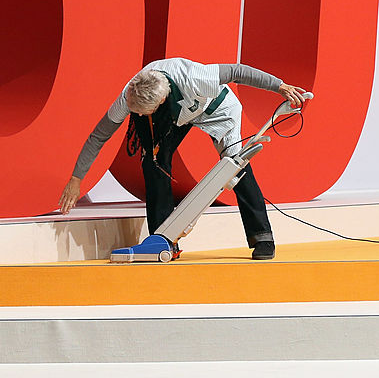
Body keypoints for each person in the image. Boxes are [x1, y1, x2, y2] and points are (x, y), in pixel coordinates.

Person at [58, 58, 307, 260]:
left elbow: (237, 71)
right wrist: (76, 179)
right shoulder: (129, 95)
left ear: (160, 100)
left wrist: (280, 86)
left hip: (214, 109)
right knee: (153, 163)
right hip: (171, 116)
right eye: (136, 112)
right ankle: (163, 241)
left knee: (236, 166)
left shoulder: (195, 77)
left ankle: (262, 237)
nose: (137, 116)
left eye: (142, 112)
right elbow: (98, 136)